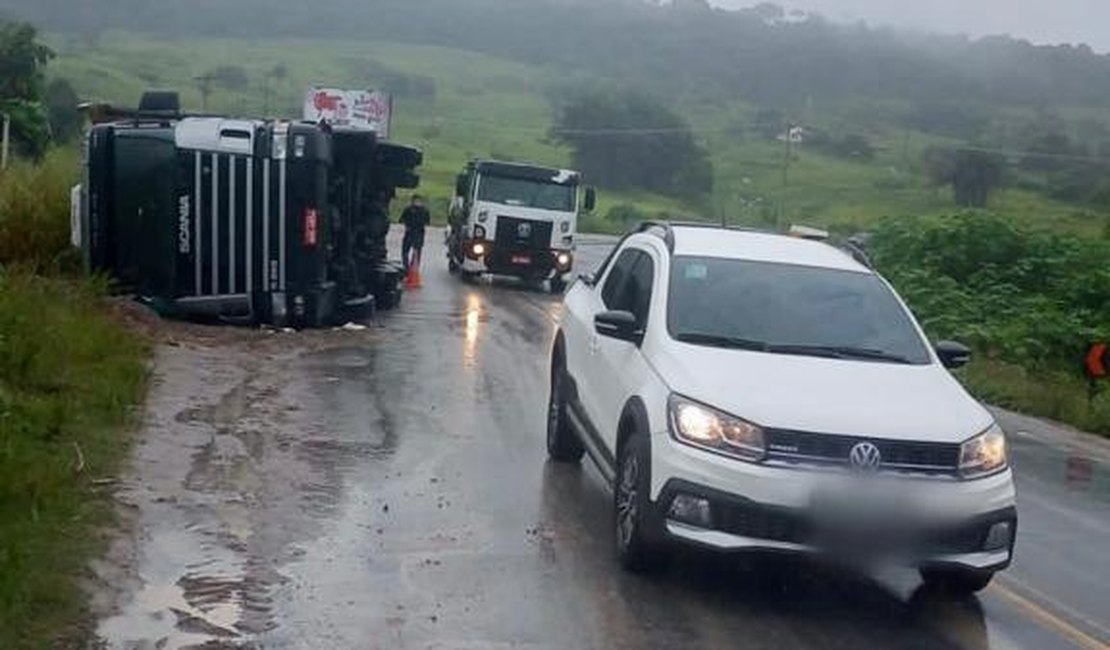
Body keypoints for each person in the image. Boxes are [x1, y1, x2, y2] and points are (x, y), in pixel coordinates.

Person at [400, 194, 431, 270]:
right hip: (418, 233)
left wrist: (407, 224)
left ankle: (408, 268)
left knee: (407, 251)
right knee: (416, 251)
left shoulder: (408, 209)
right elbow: (427, 222)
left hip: (411, 232)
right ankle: (413, 268)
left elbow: (401, 219)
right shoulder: (424, 210)